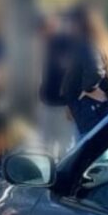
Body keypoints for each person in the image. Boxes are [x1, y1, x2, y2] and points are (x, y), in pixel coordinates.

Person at [60, 4, 108, 136]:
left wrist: (87, 91)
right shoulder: (107, 43)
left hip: (92, 112)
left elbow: (95, 71)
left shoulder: (86, 44)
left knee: (88, 153)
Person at [39, 12, 79, 158]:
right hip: (47, 101)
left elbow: (73, 77)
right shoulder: (49, 43)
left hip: (64, 105)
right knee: (46, 144)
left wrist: (70, 102)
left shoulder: (68, 43)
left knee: (66, 147)